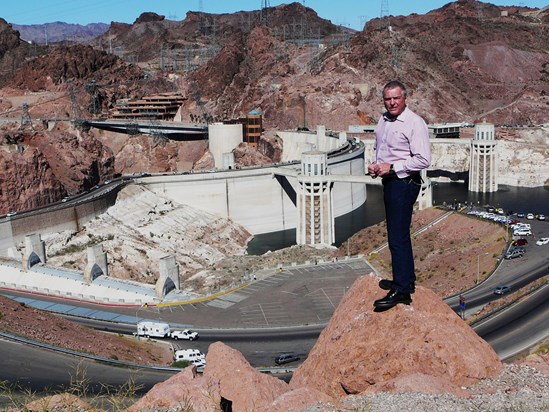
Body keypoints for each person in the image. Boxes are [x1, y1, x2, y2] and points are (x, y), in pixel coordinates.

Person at [367, 80, 431, 309]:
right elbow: (381, 149)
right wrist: (376, 165)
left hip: (405, 182)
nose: (392, 102)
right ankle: (405, 280)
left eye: (396, 98)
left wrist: (392, 168)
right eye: (388, 99)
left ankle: (402, 290)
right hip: (390, 181)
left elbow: (423, 159)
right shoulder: (383, 120)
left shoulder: (414, 123)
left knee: (398, 237)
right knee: (395, 234)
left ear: (405, 98)